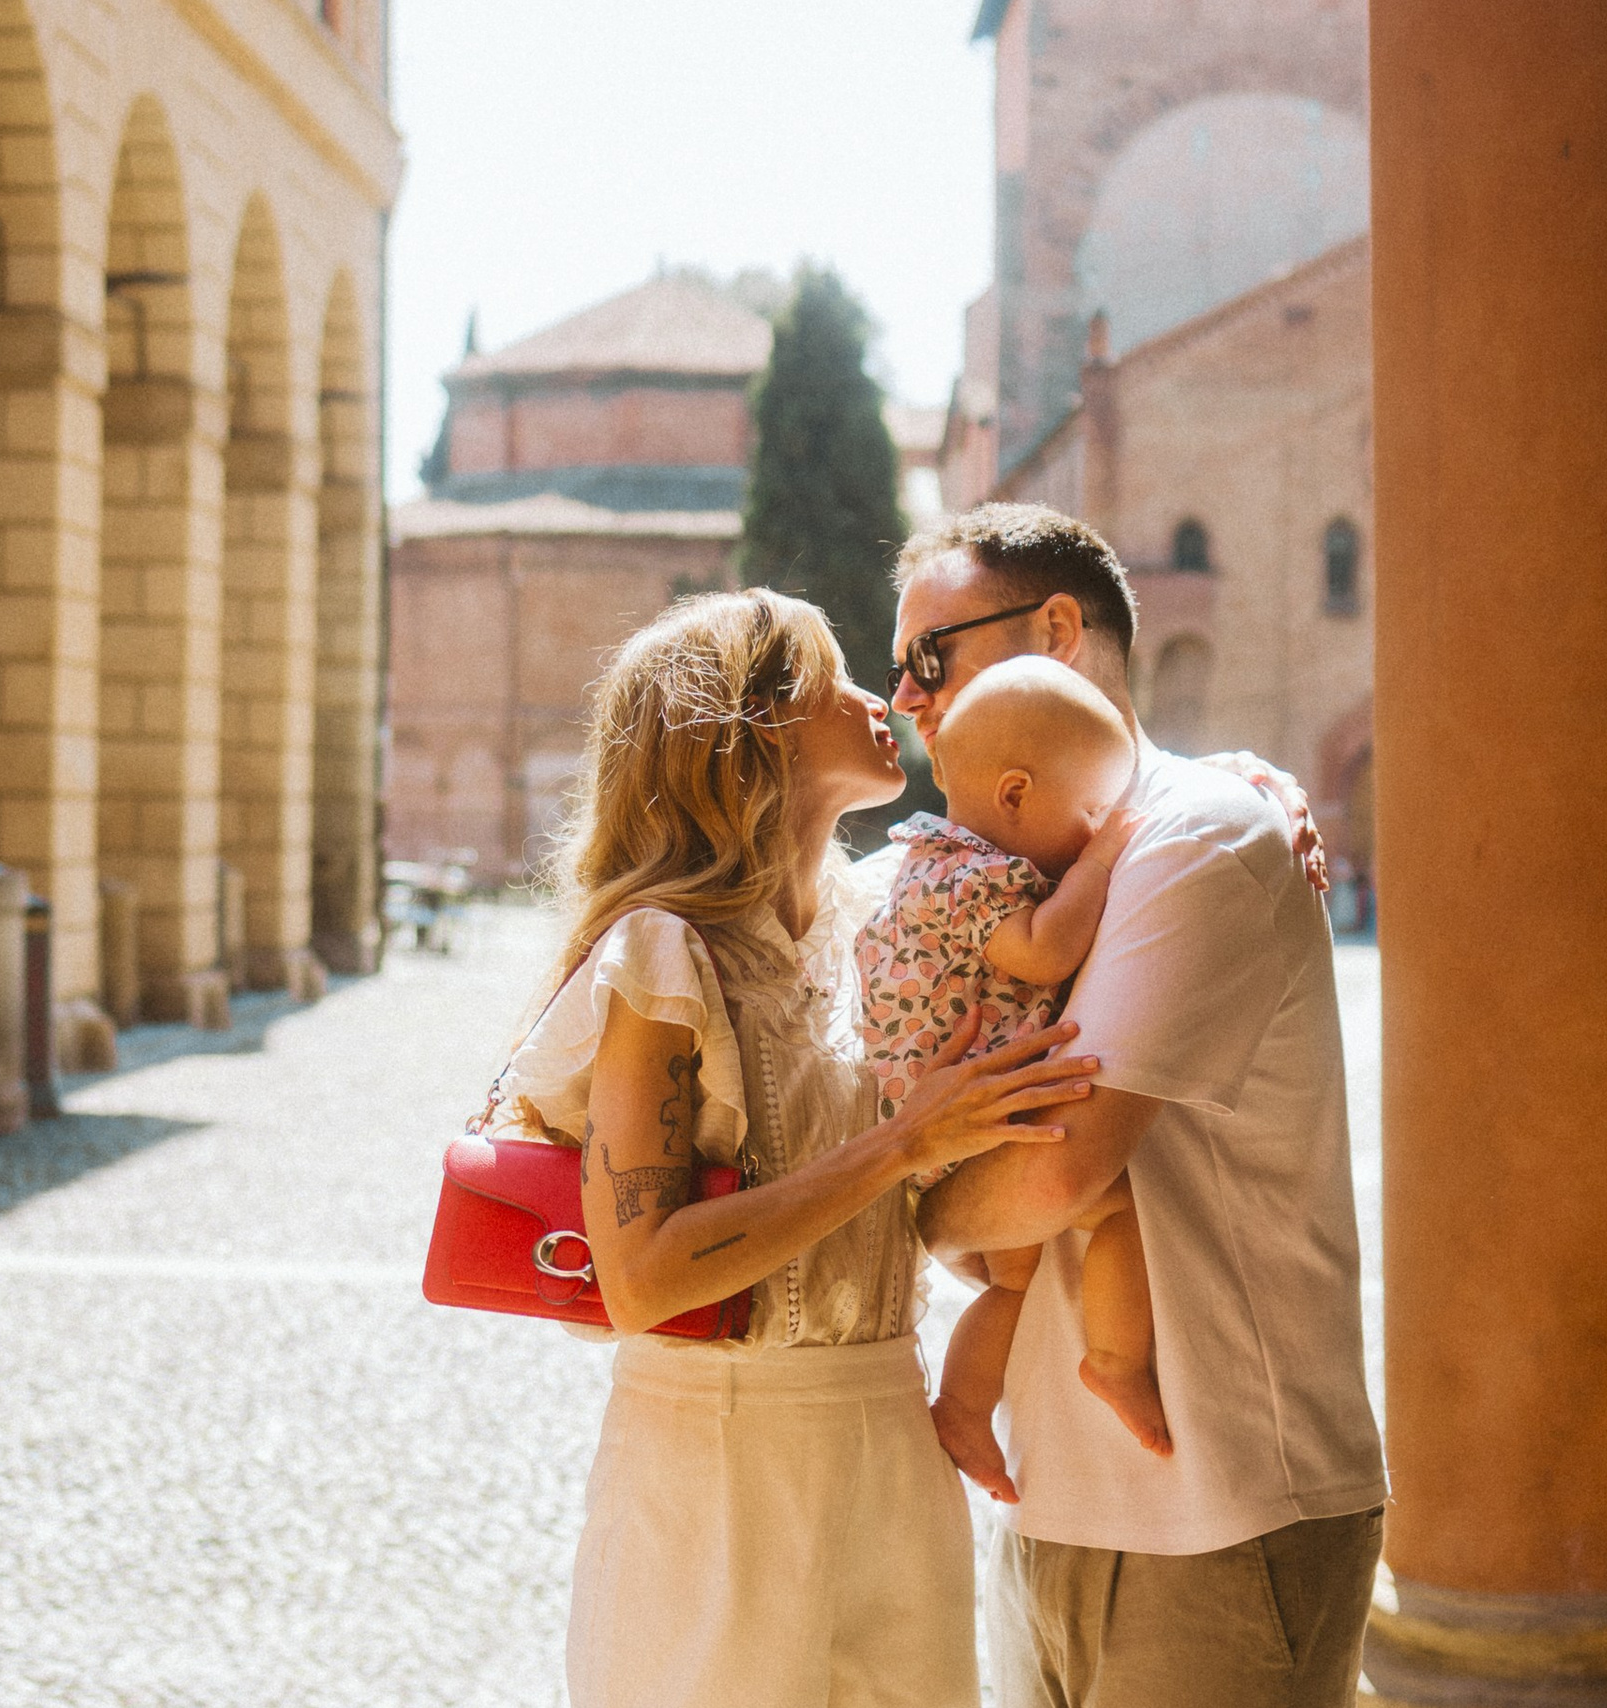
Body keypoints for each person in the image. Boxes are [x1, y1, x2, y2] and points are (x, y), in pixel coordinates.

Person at [486, 588, 1099, 1708]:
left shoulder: (885, 922)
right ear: (748, 726)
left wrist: (1242, 799)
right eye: (829, 676)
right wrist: (908, 1142)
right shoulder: (662, 952)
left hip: (893, 1432)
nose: (876, 696)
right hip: (714, 1467)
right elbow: (642, 1274)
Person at [899, 504, 1388, 1708]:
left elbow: (1058, 1174)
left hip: (1217, 1504)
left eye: (929, 657)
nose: (905, 697)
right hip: (1055, 1505)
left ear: (1056, 631)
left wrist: (900, 1187)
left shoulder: (1200, 834)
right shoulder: (994, 870)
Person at [854, 657, 1165, 1509]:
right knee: (1117, 1206)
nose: (1095, 826)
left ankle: (962, 1405)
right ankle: (1116, 1361)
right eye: (1088, 810)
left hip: (946, 1121)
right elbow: (1045, 950)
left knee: (1014, 1279)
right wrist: (1107, 857)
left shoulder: (925, 861)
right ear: (1018, 795)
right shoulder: (971, 875)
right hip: (970, 1117)